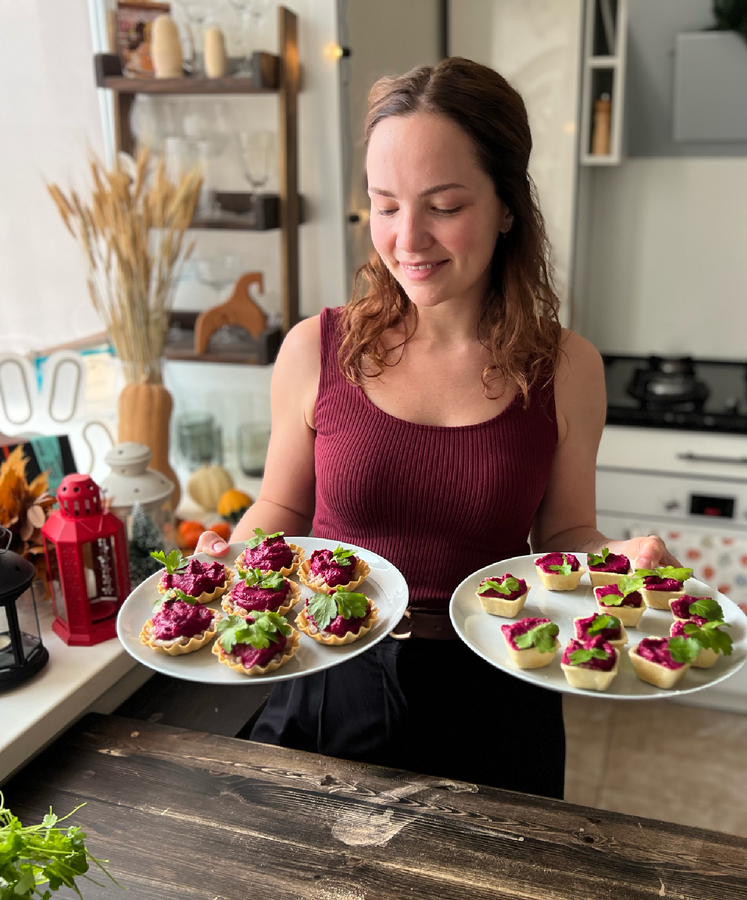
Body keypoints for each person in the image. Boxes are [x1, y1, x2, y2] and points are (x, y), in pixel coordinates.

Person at [221, 57, 679, 799]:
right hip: (331, 677)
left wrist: (616, 559)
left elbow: (564, 539)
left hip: (497, 687)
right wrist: (236, 558)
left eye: (443, 205)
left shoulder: (567, 368)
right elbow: (282, 511)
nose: (407, 238)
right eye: (386, 204)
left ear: (506, 207)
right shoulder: (315, 349)